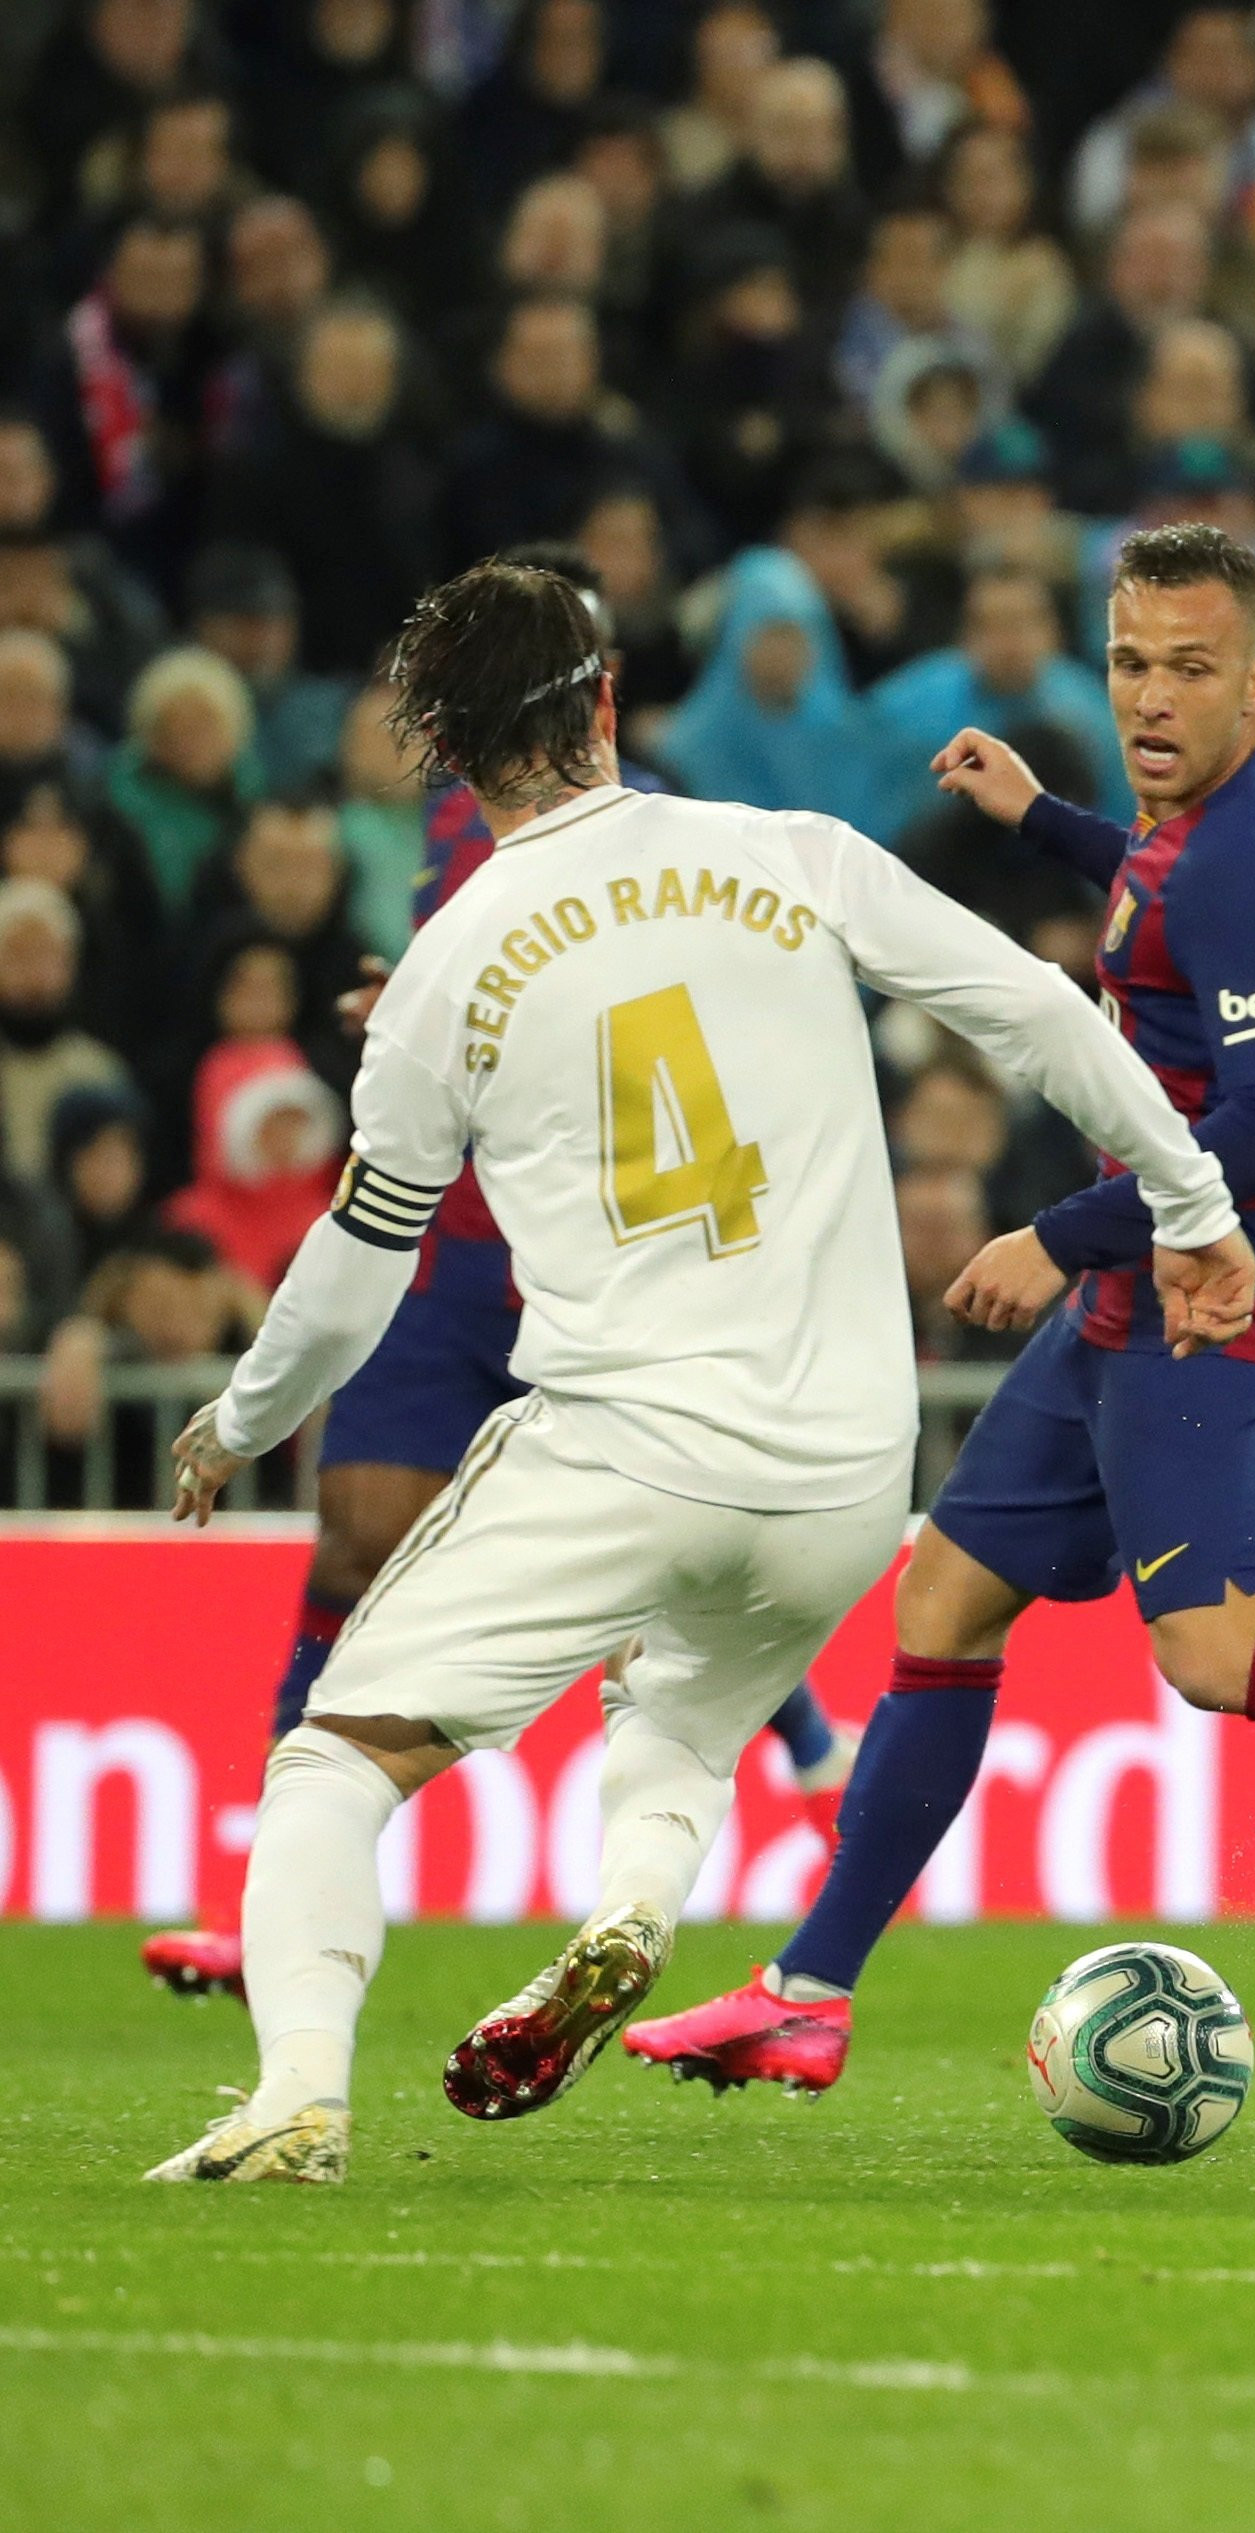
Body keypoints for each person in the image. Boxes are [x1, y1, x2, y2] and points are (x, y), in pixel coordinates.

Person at [144, 560, 1255, 2184]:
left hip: (623, 1440)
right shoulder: (787, 856)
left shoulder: (446, 968)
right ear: (607, 705)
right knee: (673, 1726)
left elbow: (357, 1265)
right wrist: (1192, 1199)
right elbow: (1036, 1008)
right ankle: (628, 1916)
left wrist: (238, 1417)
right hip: (842, 1475)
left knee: (334, 1759)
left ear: (454, 754)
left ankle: (296, 2099)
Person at [625, 525, 1255, 2097]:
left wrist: (1058, 1226)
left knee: (1219, 1655)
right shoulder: (1215, 825)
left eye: (1189, 668)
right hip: (1134, 1282)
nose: (1151, 697)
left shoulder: (1239, 852)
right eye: (1130, 662)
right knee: (943, 1607)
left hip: (1201, 1294)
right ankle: (808, 1990)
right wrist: (1052, 823)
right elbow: (1162, 906)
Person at [138, 553, 855, 2006]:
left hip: (590, 1251)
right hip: (445, 1253)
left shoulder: (656, 821)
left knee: (665, 1555)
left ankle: (819, 1754)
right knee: (352, 1543)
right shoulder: (449, 815)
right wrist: (395, 1002)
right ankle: (265, 1893)